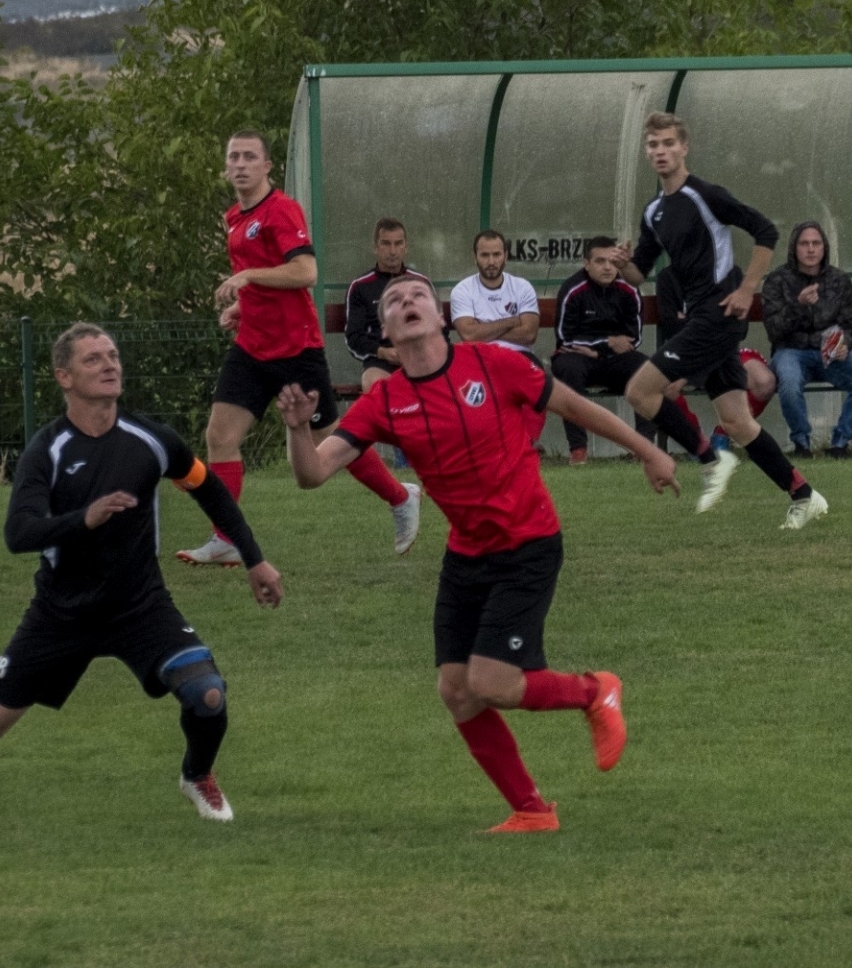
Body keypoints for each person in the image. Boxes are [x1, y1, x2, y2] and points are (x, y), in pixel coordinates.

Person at [277, 273, 681, 833]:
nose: (407, 302)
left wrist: (647, 453)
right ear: (388, 331)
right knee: (456, 690)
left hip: (528, 545)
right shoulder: (386, 400)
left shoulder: (496, 363)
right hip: (467, 555)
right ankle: (532, 812)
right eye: (394, 301)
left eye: (418, 294)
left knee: (492, 683)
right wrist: (298, 430)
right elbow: (314, 474)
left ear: (440, 316)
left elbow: (576, 408)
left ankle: (595, 691)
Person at [0, 324, 286, 824]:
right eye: (94, 359)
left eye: (113, 355)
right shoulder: (46, 451)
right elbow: (18, 533)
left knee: (208, 696)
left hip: (140, 606)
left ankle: (196, 775)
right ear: (64, 376)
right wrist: (84, 520)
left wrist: (253, 558)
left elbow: (209, 490)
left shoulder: (152, 440)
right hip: (60, 614)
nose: (110, 364)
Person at [176, 136, 420, 567]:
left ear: (268, 165)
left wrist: (248, 277)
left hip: (295, 351)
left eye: (250, 157)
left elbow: (305, 272)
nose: (241, 164)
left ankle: (401, 497)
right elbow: (268, 283)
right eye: (233, 157)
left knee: (329, 443)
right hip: (252, 347)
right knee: (220, 437)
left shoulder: (281, 210)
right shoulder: (233, 217)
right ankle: (226, 537)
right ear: (225, 167)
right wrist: (242, 305)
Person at [617, 112, 826, 530]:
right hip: (702, 315)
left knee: (639, 391)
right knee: (737, 421)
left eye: (668, 143)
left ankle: (711, 460)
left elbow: (765, 231)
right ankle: (805, 495)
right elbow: (641, 272)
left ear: (684, 148)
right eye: (653, 145)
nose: (660, 151)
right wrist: (624, 266)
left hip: (720, 314)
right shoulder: (655, 210)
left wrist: (748, 288)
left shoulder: (705, 195)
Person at [760, 220, 852, 458]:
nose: (811, 249)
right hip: (792, 350)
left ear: (824, 248)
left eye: (816, 243)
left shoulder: (839, 280)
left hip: (832, 351)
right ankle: (802, 443)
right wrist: (798, 305)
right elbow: (773, 330)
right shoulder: (776, 280)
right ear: (794, 248)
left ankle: (841, 442)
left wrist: (845, 342)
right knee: (789, 381)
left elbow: (849, 323)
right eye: (804, 244)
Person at [552, 237, 656, 464]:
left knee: (647, 370)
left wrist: (599, 351)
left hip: (611, 359)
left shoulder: (629, 289)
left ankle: (644, 447)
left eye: (612, 262)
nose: (607, 267)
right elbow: (564, 338)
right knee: (568, 369)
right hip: (577, 357)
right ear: (586, 263)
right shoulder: (572, 289)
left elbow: (634, 338)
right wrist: (606, 342)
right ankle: (578, 451)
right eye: (600, 261)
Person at [656, 268, 775, 453]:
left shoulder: (732, 273)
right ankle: (698, 444)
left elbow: (740, 328)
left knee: (764, 381)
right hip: (686, 355)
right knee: (667, 387)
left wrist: (692, 323)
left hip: (724, 352)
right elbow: (671, 326)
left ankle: (723, 434)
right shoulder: (668, 276)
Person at [344, 217, 430, 392]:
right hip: (381, 361)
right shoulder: (360, 287)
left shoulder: (421, 283)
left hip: (419, 358)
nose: (393, 251)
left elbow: (439, 331)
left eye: (398, 244)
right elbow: (353, 337)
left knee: (439, 382)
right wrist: (382, 351)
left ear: (406, 247)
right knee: (374, 383)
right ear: (375, 248)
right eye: (386, 244)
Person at [448, 229, 542, 358]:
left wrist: (483, 328)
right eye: (484, 255)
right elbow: (469, 335)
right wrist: (511, 322)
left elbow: (529, 335)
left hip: (519, 356)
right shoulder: (462, 290)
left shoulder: (522, 287)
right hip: (480, 357)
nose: (491, 262)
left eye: (497, 254)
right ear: (475, 257)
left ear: (506, 256)